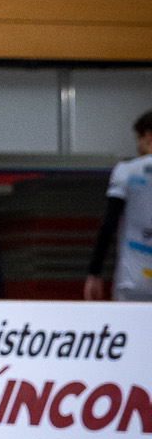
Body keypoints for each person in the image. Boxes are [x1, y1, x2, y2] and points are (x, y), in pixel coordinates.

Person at [85, 109, 152, 302]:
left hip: (133, 277)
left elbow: (109, 222)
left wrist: (94, 272)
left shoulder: (126, 171)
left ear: (146, 136)